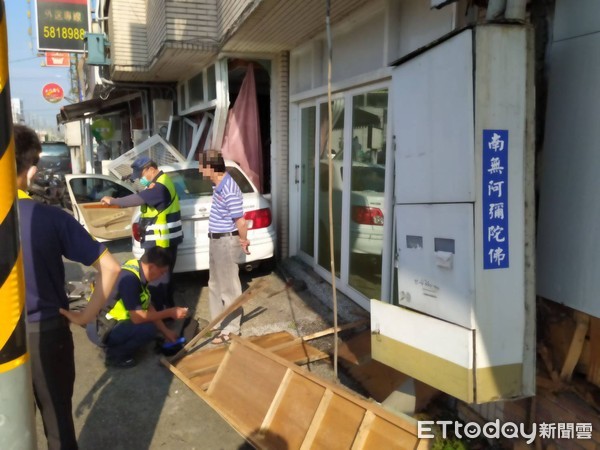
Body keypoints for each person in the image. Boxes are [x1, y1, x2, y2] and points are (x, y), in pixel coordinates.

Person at [13, 124, 121, 450]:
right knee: (58, 424)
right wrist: (86, 316)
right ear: (31, 169)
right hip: (47, 335)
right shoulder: (51, 218)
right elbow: (111, 268)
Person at [82, 246, 188, 368]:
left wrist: (166, 332)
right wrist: (170, 313)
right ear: (152, 267)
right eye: (162, 272)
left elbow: (147, 305)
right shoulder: (130, 280)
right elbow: (138, 318)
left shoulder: (138, 268)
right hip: (100, 329)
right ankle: (113, 356)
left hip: (106, 323)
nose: (162, 276)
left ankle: (115, 343)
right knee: (148, 329)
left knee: (152, 317)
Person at [100, 155, 183, 308]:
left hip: (161, 241)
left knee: (158, 280)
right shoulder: (157, 183)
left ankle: (162, 315)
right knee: (163, 279)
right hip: (162, 240)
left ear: (150, 169)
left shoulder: (160, 186)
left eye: (141, 175)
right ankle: (167, 313)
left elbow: (137, 199)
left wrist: (113, 201)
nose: (140, 179)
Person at [199, 150, 250, 344]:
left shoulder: (228, 188)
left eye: (201, 166)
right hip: (215, 240)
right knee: (214, 284)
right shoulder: (218, 184)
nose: (200, 170)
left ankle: (230, 328)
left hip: (226, 242)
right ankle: (217, 322)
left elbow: (241, 222)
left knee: (229, 287)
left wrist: (243, 242)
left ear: (211, 168)